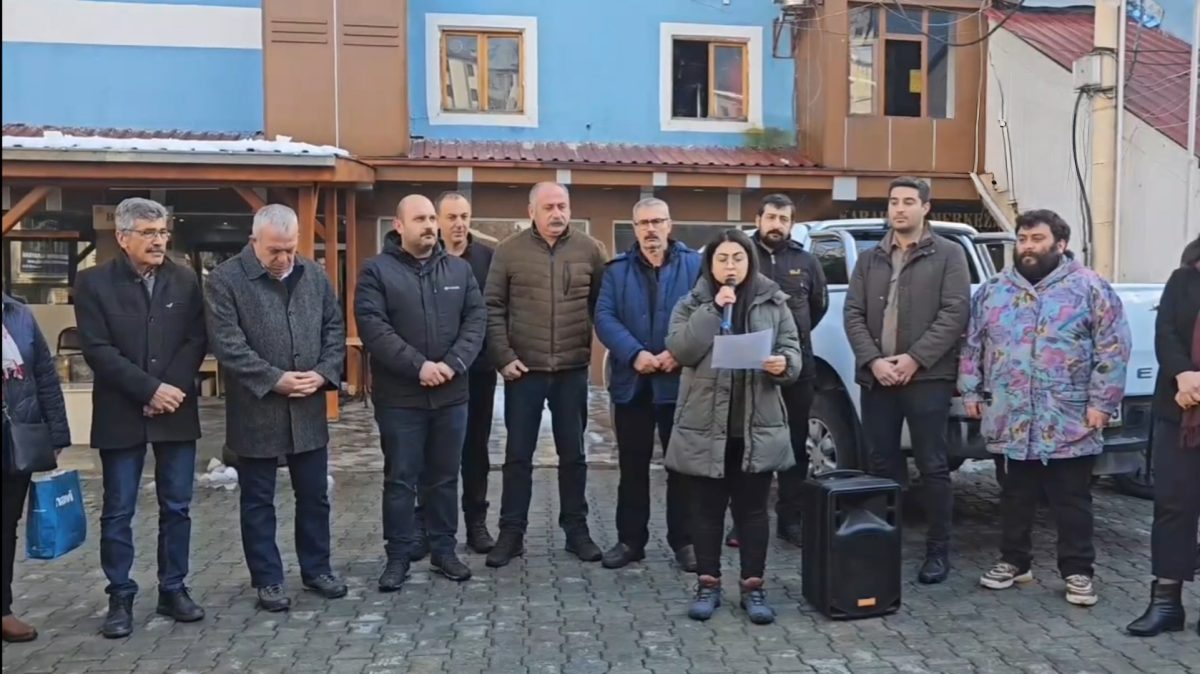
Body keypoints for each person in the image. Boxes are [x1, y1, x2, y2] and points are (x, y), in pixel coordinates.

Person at [960, 210, 1131, 607]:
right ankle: (1014, 561)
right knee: (1014, 495)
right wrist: (970, 391)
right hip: (1010, 414)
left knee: (1071, 500)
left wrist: (1102, 402)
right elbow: (972, 345)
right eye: (1022, 239)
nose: (1028, 247)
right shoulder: (994, 290)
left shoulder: (1089, 287)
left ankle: (1078, 571)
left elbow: (1113, 348)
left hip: (1068, 417)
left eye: (1037, 239)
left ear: (1060, 244)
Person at [73, 197, 208, 638]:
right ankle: (120, 596)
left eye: (163, 231)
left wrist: (169, 390)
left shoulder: (185, 279)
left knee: (177, 506)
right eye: (149, 233)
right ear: (122, 237)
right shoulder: (93, 282)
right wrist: (148, 390)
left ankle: (173, 589)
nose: (159, 241)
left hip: (175, 408)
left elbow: (195, 339)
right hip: (121, 410)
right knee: (118, 510)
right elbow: (97, 349)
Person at [205, 204, 347, 612]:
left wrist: (322, 373)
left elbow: (334, 329)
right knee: (257, 501)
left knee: (315, 496)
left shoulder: (314, 276)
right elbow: (228, 345)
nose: (284, 258)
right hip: (256, 410)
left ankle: (317, 569)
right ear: (254, 241)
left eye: (290, 249)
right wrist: (273, 379)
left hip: (308, 408)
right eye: (274, 251)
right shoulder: (224, 280)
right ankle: (268, 579)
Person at [665, 228, 802, 625]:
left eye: (738, 259)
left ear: (749, 262)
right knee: (706, 511)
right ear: (710, 265)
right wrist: (713, 310)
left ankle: (753, 588)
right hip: (705, 425)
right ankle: (708, 585)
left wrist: (783, 364)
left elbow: (793, 350)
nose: (730, 266)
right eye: (722, 259)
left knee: (753, 512)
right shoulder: (692, 303)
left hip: (755, 425)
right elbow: (681, 349)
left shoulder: (774, 301)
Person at [355, 194, 486, 591]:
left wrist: (453, 363)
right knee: (401, 480)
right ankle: (398, 557)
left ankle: (444, 551)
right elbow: (374, 328)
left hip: (451, 395)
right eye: (420, 219)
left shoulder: (460, 270)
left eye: (432, 218)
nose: (429, 225)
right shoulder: (376, 272)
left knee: (444, 478)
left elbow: (476, 319)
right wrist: (419, 366)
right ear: (399, 225)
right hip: (401, 399)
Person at [843, 176, 970, 584]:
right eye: (894, 201)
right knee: (881, 463)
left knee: (933, 465)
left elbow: (955, 312)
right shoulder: (870, 259)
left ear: (925, 208)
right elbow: (853, 314)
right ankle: (883, 543)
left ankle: (938, 551)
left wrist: (915, 359)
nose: (899, 208)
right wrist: (874, 361)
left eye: (908, 201)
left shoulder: (948, 254)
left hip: (928, 377)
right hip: (877, 378)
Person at [484, 182, 608, 568]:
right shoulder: (509, 251)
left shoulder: (591, 250)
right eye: (549, 207)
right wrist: (504, 357)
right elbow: (492, 307)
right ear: (531, 211)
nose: (557, 213)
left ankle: (577, 530)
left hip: (571, 371)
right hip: (524, 372)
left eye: (563, 206)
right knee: (517, 456)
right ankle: (511, 533)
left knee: (574, 456)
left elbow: (602, 306)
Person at [594, 197, 701, 571]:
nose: (651, 229)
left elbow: (707, 314)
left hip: (680, 384)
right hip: (633, 385)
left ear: (670, 224)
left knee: (682, 470)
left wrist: (678, 352)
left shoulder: (695, 266)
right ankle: (630, 541)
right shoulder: (616, 271)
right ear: (635, 228)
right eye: (644, 223)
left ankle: (685, 541)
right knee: (632, 468)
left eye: (658, 221)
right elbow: (604, 317)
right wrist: (635, 353)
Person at [728, 193, 828, 549]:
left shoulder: (807, 261)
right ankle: (742, 521)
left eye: (784, 219)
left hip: (796, 370)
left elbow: (817, 308)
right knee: (745, 445)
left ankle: (791, 519)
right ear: (757, 219)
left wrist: (790, 349)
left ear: (792, 224)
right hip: (748, 370)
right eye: (771, 217)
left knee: (794, 446)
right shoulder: (740, 255)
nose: (776, 225)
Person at [1127, 235, 1200, 635]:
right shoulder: (1183, 279)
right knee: (1173, 506)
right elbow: (1165, 332)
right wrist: (1183, 374)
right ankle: (1166, 603)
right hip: (1180, 409)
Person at [2, 293, 70, 643]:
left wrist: (57, 433)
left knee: (5, 526)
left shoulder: (18, 314)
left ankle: (2, 609)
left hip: (16, 438)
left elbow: (44, 374)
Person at [437, 191, 497, 554]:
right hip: (437, 374)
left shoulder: (488, 259)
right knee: (435, 453)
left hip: (479, 371)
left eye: (464, 216)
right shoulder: (427, 257)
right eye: (452, 217)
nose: (459, 224)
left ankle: (476, 523)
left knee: (476, 451)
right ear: (439, 221)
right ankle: (429, 526)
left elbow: (496, 312)